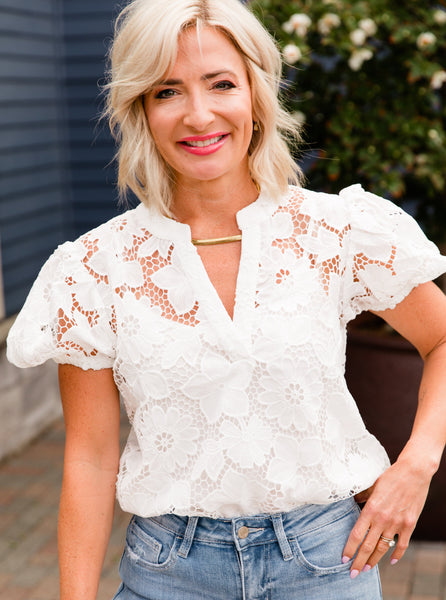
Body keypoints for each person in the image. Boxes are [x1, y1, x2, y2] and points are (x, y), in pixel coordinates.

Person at [6, 0, 446, 598]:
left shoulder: (335, 232)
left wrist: (415, 466)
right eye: (167, 91)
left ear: (257, 97)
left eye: (221, 84)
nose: (198, 114)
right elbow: (89, 458)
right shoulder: (95, 268)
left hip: (325, 564)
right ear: (140, 109)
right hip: (169, 573)